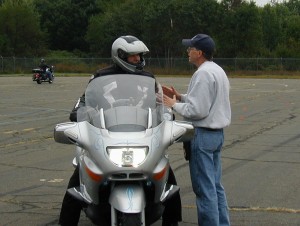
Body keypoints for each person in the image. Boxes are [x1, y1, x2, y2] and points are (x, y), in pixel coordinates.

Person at [59, 35, 181, 226]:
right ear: (120, 55)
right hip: (106, 133)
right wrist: (79, 112)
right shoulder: (99, 77)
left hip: (141, 132)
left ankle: (172, 221)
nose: (138, 60)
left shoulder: (148, 78)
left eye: (139, 56)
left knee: (168, 178)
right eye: (134, 56)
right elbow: (84, 100)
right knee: (78, 181)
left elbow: (159, 103)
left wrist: (166, 114)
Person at [162, 34, 231, 226]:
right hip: (216, 135)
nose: (188, 51)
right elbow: (206, 101)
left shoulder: (202, 74)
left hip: (202, 136)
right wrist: (180, 97)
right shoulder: (216, 70)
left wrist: (173, 104)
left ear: (199, 53)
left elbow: (198, 110)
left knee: (204, 189)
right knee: (215, 186)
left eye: (190, 48)